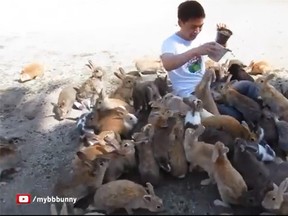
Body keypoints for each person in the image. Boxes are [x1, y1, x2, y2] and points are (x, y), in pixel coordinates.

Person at [160, 0, 260, 122]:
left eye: (200, 26)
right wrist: (195, 51)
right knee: (233, 116)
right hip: (192, 94)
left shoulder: (200, 37)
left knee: (250, 87)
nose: (197, 31)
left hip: (211, 86)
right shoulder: (171, 43)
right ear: (181, 23)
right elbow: (168, 64)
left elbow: (216, 56)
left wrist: (222, 39)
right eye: (193, 27)